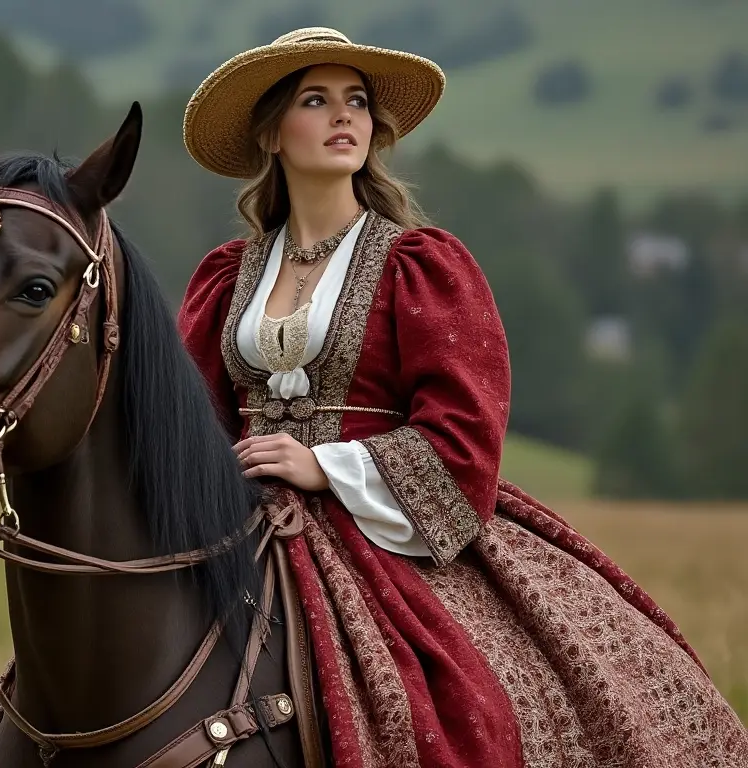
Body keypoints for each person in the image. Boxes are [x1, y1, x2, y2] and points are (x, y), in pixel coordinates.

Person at [178, 27, 748, 767]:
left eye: (355, 102)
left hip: (383, 523)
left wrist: (324, 466)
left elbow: (464, 435)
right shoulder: (229, 276)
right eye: (315, 101)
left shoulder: (420, 265)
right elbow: (191, 418)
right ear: (272, 133)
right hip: (244, 516)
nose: (343, 117)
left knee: (463, 703)